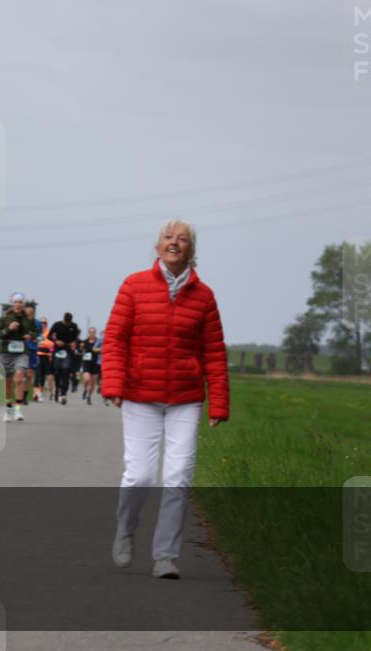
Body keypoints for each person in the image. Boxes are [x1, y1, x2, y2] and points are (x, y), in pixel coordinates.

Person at [102, 218, 229, 579]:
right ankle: (125, 531)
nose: (175, 243)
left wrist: (218, 402)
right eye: (168, 238)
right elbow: (114, 339)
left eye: (183, 239)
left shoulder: (204, 297)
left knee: (178, 476)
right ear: (157, 246)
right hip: (140, 394)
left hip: (185, 399)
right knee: (140, 475)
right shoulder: (134, 285)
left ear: (192, 250)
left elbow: (215, 353)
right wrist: (113, 384)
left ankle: (165, 556)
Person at [0, 294, 39, 421]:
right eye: (15, 302)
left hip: (21, 352)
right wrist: (8, 329)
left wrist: (30, 336)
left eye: (20, 302)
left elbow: (35, 331)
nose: (18, 304)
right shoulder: (5, 317)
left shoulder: (28, 318)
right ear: (12, 304)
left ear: (23, 304)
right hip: (6, 352)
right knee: (8, 383)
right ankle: (8, 410)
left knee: (19, 378)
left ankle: (18, 409)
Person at [47, 312, 80, 405]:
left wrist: (74, 343)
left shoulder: (74, 326)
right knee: (57, 371)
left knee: (66, 372)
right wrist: (56, 341)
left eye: (69, 323)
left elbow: (76, 338)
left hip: (68, 351)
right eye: (66, 323)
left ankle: (64, 394)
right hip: (58, 351)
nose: (67, 324)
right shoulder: (57, 324)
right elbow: (49, 336)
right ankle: (57, 389)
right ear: (64, 320)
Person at [80, 326, 103, 405]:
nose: (92, 333)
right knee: (86, 379)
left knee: (93, 383)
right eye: (91, 332)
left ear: (95, 333)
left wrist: (98, 350)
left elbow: (102, 349)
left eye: (93, 332)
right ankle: (85, 390)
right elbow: (81, 351)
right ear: (89, 333)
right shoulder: (84, 342)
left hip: (96, 363)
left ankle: (89, 396)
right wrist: (81, 348)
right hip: (86, 363)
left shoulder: (98, 341)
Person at [22, 304, 40, 404]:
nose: (29, 314)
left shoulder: (38, 323)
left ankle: (24, 396)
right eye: (27, 312)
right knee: (20, 374)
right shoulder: (20, 322)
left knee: (29, 375)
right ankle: (19, 393)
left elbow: (41, 336)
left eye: (31, 312)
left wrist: (37, 339)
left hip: (32, 350)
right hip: (21, 350)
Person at [35, 316, 54, 402]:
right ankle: (36, 392)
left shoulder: (49, 333)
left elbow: (52, 345)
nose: (43, 324)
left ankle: (41, 392)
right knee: (37, 373)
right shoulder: (37, 332)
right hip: (37, 354)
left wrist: (51, 353)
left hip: (46, 355)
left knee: (43, 375)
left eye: (45, 323)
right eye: (41, 323)